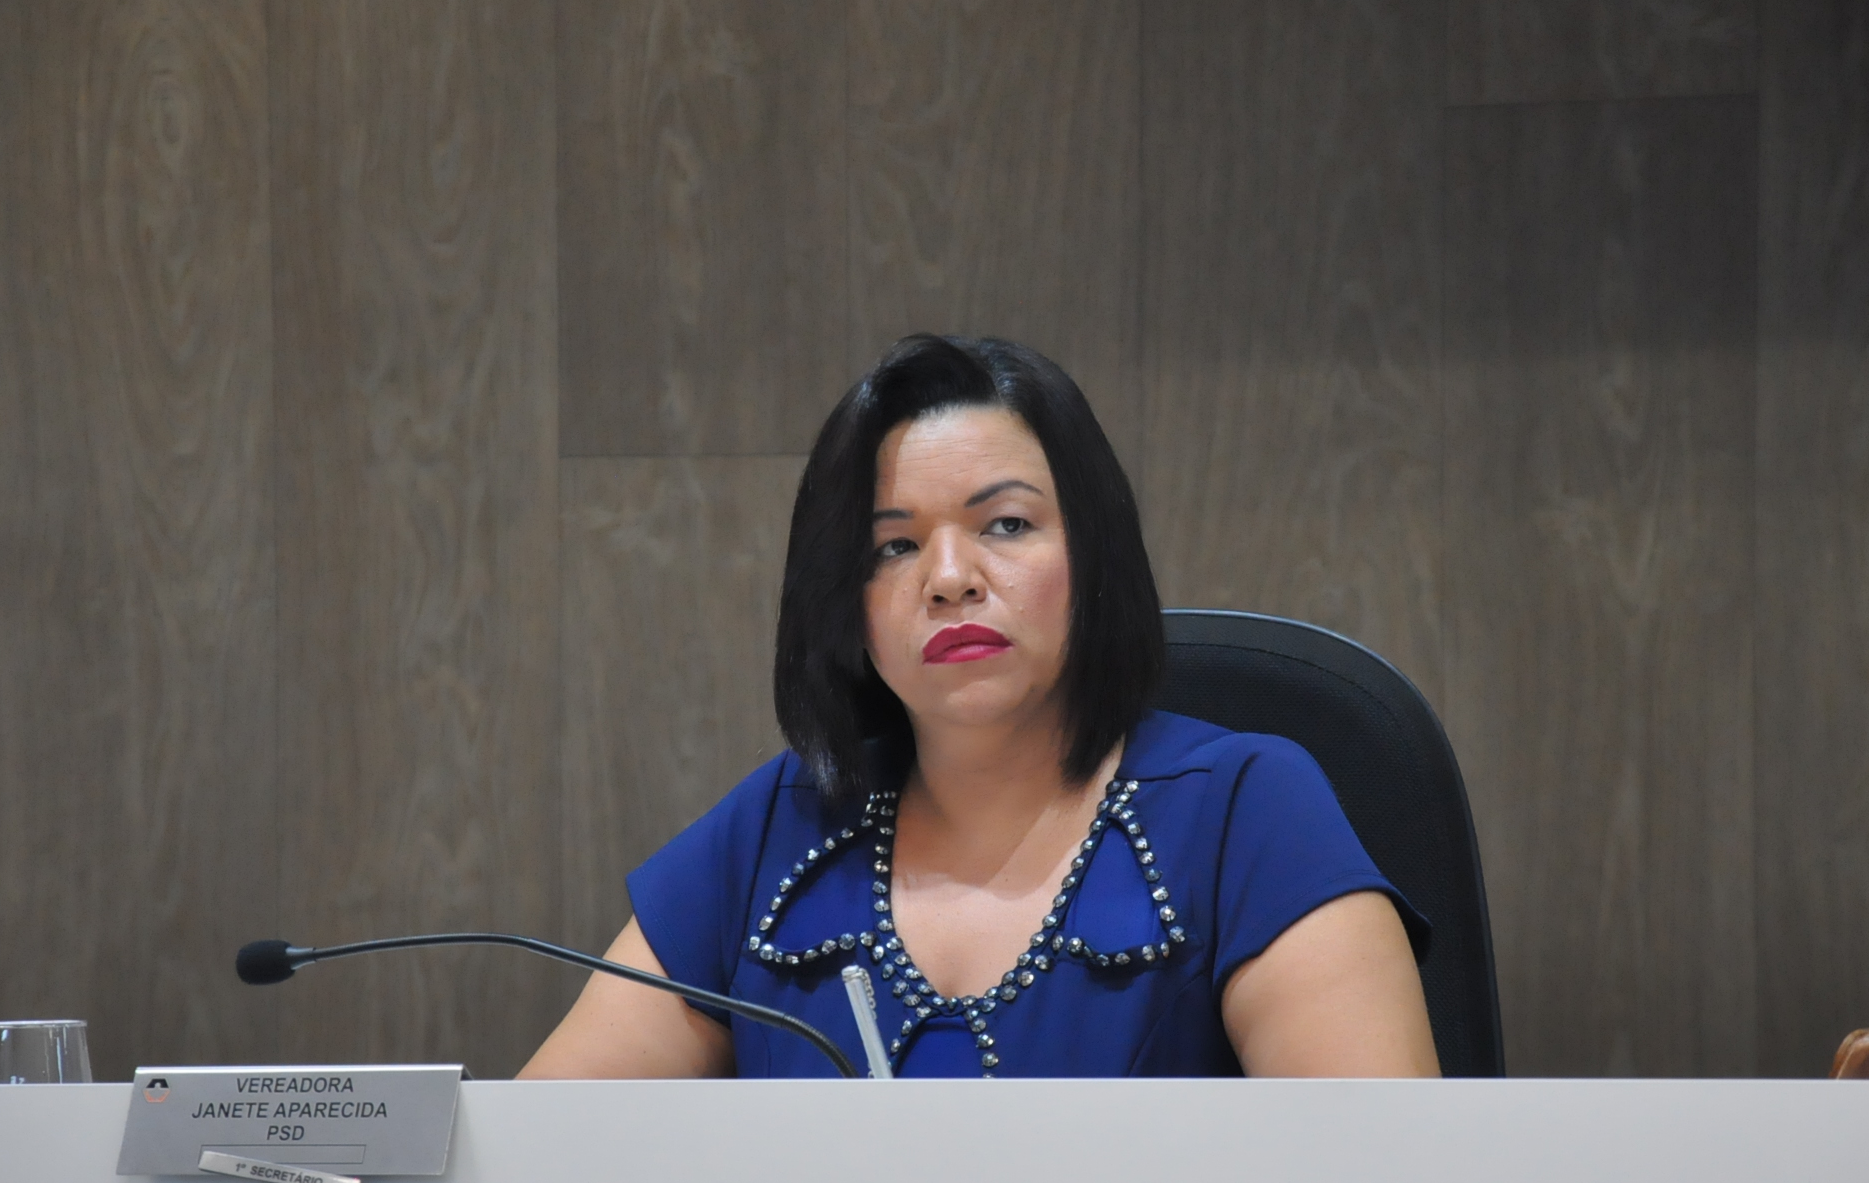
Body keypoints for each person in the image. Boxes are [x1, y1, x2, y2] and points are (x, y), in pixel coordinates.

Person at [521, 335, 1439, 1080]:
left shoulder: (1249, 812)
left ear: (1095, 556)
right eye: (894, 547)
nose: (950, 578)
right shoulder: (777, 832)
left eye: (1007, 524)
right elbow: (546, 1160)